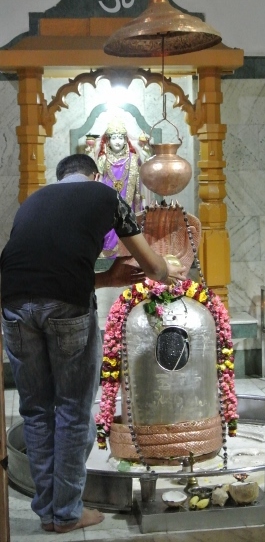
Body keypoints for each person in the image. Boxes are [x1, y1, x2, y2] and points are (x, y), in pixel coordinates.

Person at [0, 153, 186, 534]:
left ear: (60, 177)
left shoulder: (33, 201)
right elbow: (151, 266)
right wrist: (171, 271)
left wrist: (107, 279)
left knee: (36, 410)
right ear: (95, 174)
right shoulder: (105, 195)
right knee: (71, 408)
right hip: (67, 307)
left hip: (13, 306)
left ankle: (48, 510)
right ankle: (66, 513)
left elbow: (42, 275)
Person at [95, 118, 146, 257]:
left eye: (120, 138)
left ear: (125, 140)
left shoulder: (134, 159)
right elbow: (98, 182)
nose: (117, 141)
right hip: (108, 206)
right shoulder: (102, 160)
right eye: (114, 138)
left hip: (130, 205)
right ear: (107, 141)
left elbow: (140, 186)